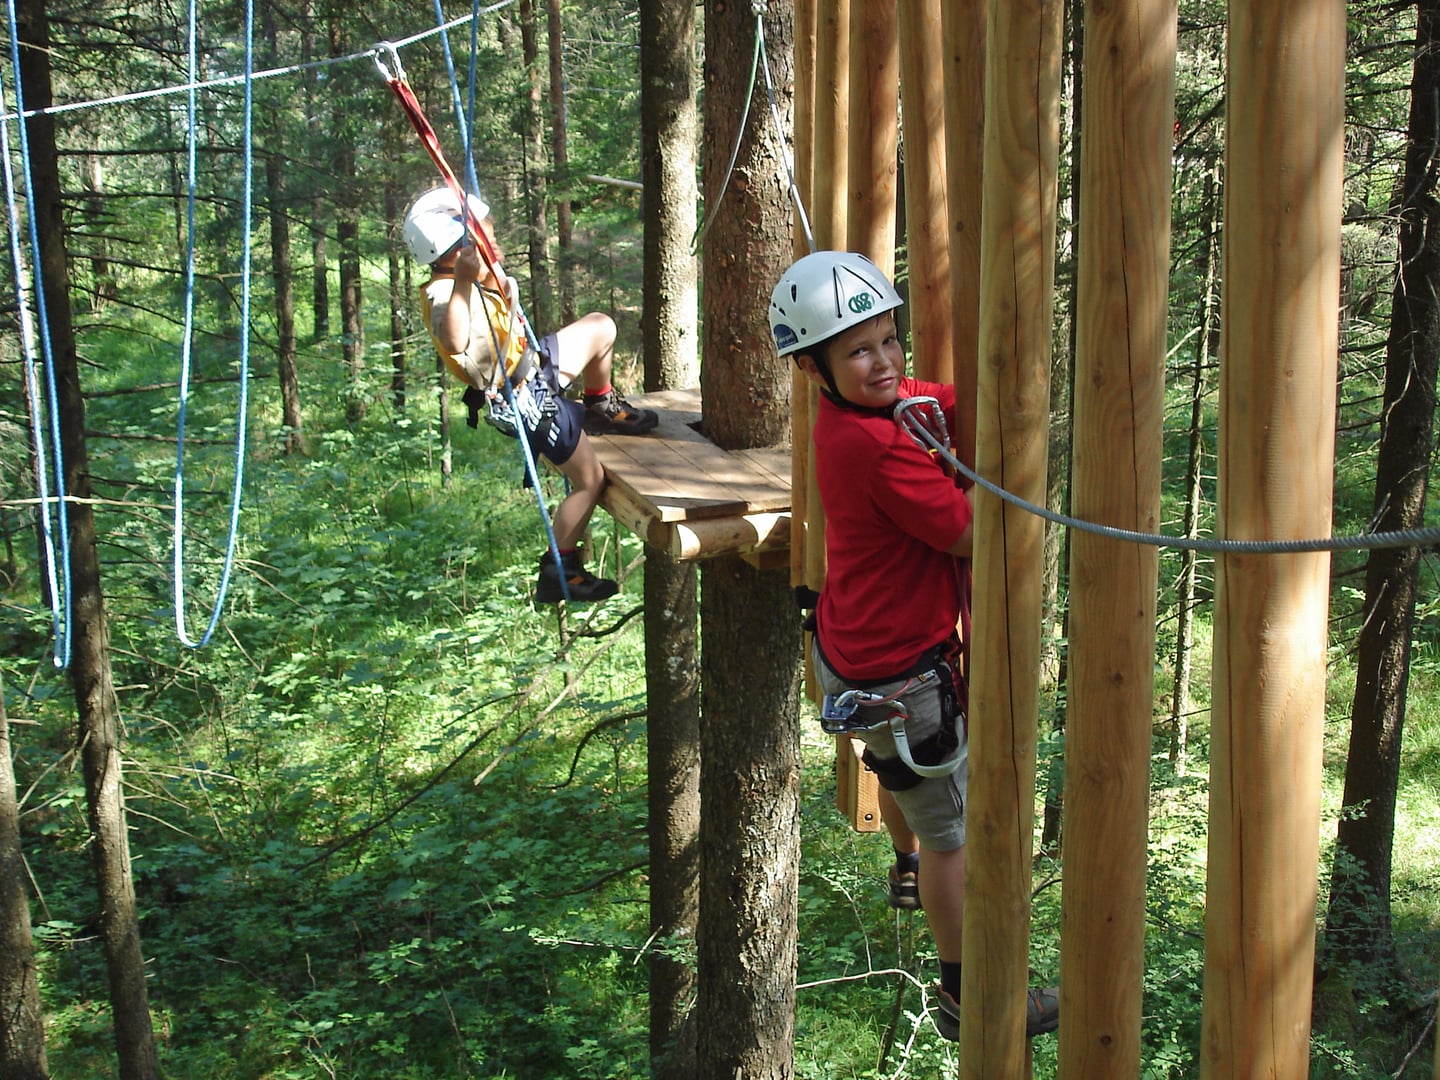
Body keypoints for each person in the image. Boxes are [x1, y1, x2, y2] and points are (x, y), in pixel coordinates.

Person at [769, 249, 1059, 1041]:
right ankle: (966, 995)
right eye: (859, 352)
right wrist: (1012, 472)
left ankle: (905, 864)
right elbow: (966, 532)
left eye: (890, 340)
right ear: (815, 369)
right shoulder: (874, 445)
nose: (886, 362)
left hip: (851, 651)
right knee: (951, 841)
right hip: (903, 680)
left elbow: (928, 397)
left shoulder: (852, 414)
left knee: (893, 772)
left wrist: (986, 401)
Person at [403, 185, 658, 605]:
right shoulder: (446, 294)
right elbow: (454, 339)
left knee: (601, 327)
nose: (495, 243)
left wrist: (488, 280)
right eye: (487, 237)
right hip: (525, 403)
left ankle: (599, 405)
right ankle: (560, 569)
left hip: (532, 367)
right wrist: (465, 282)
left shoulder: (469, 280)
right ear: (457, 252)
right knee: (590, 480)